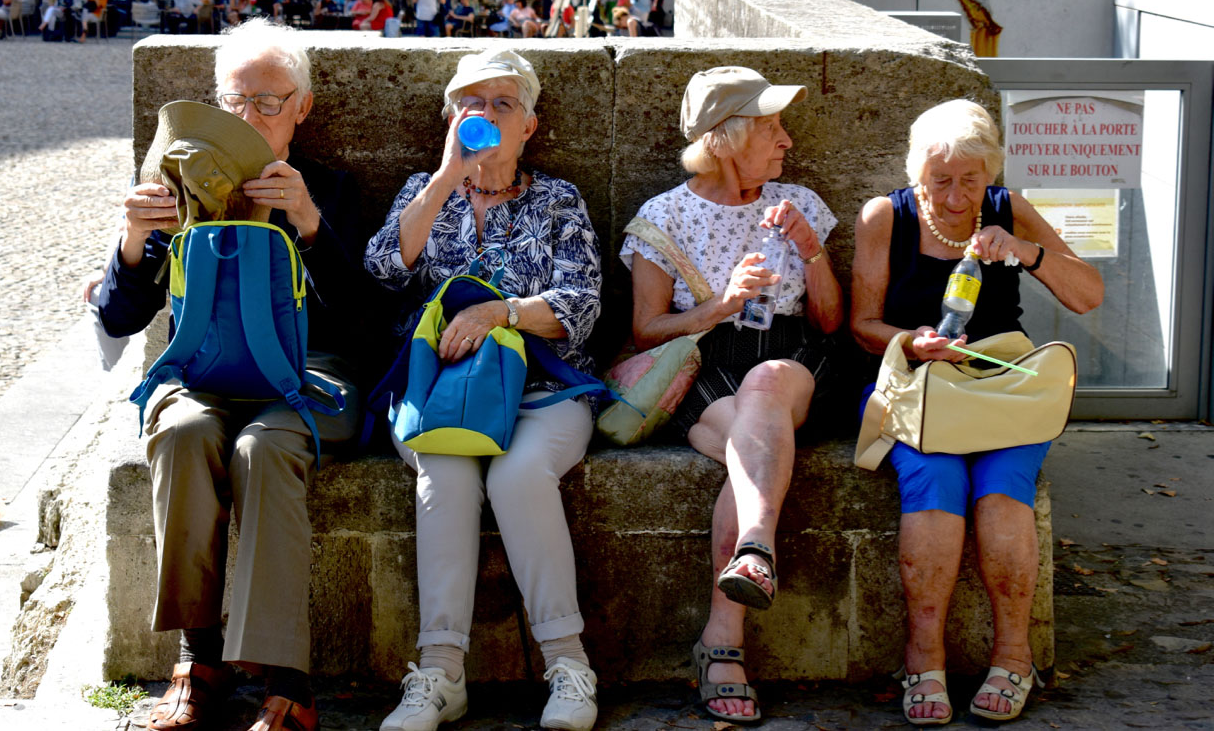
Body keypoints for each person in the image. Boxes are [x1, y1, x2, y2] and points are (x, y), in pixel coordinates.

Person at [97, 17, 367, 731]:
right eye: (234, 101)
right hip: (204, 373)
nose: (247, 117)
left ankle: (288, 684)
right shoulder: (180, 188)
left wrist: (309, 222)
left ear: (302, 108)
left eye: (267, 102)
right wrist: (132, 239)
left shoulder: (332, 191)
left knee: (265, 448)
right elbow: (123, 316)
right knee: (181, 430)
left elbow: (368, 318)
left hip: (307, 378)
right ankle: (199, 659)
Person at [364, 49, 603, 731]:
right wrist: (445, 179)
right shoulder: (425, 189)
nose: (488, 116)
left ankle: (567, 663)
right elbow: (382, 268)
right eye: (473, 103)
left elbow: (581, 304)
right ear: (451, 118)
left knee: (519, 475)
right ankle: (439, 673)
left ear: (530, 124)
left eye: (504, 103)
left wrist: (501, 312)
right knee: (444, 468)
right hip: (438, 394)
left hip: (542, 392)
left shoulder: (556, 199)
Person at [850, 99, 1103, 725]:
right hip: (915, 379)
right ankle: (924, 655)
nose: (958, 196)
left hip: (998, 387)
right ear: (917, 174)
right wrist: (912, 341)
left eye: (972, 179)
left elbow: (1088, 295)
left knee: (1001, 489)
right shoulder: (886, 216)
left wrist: (1023, 250)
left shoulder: (1006, 208)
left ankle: (1013, 655)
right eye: (942, 180)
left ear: (990, 174)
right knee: (935, 477)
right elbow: (860, 326)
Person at [621, 66, 843, 724]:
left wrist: (812, 249)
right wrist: (722, 304)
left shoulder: (797, 200)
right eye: (771, 127)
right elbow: (644, 332)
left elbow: (832, 323)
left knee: (764, 387)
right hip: (710, 366)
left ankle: (746, 570)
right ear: (724, 138)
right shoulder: (663, 217)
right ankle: (726, 633)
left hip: (793, 361)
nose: (787, 141)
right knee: (749, 444)